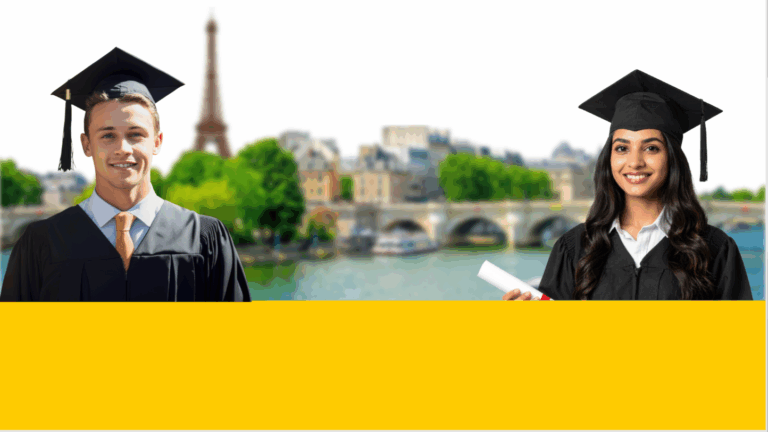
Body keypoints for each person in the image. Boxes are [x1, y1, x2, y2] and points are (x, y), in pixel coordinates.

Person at [0, 47, 251, 301]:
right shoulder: (41, 244)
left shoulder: (205, 239)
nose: (123, 149)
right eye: (108, 136)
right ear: (87, 145)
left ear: (157, 142)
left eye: (135, 135)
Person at [504, 70, 752, 300]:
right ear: (608, 158)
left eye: (651, 148)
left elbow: (741, 342)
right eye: (622, 148)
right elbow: (548, 342)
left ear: (672, 158)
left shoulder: (714, 250)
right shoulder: (574, 248)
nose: (634, 162)